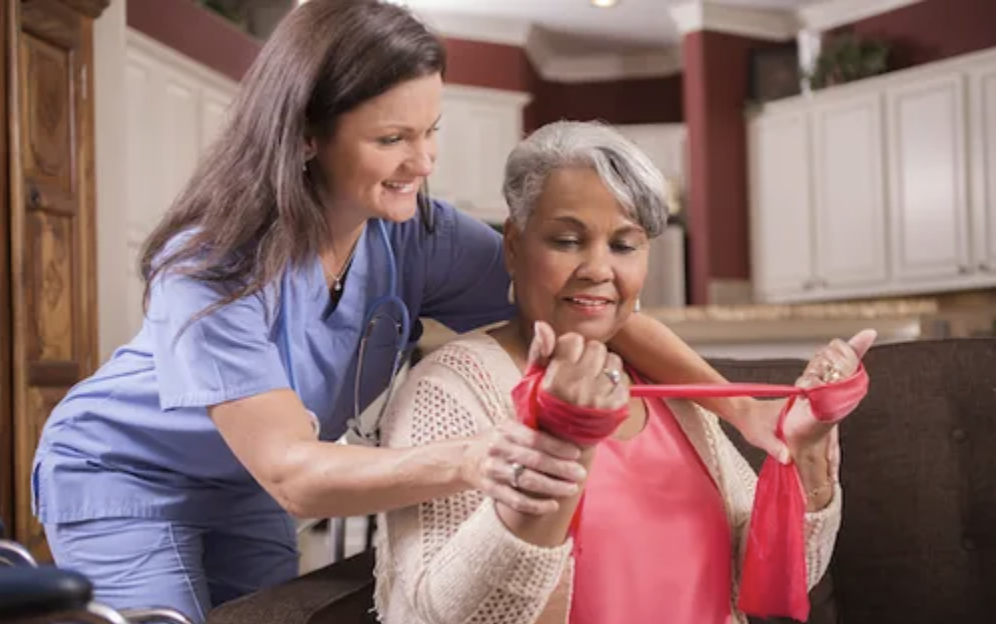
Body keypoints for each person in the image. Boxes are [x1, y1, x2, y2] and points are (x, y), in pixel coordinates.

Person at [31, 1, 802, 621]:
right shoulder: (212, 267)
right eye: (393, 138)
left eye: (430, 131)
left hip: (242, 489)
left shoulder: (414, 234)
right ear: (307, 135)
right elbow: (294, 473)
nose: (424, 162)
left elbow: (583, 300)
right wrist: (478, 457)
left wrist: (740, 408)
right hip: (127, 473)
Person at [373, 120, 876, 624]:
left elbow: (769, 577)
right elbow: (447, 615)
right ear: (513, 245)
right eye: (567, 240)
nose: (598, 268)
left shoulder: (670, 390)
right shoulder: (449, 388)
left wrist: (806, 452)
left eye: (624, 245)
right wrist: (557, 451)